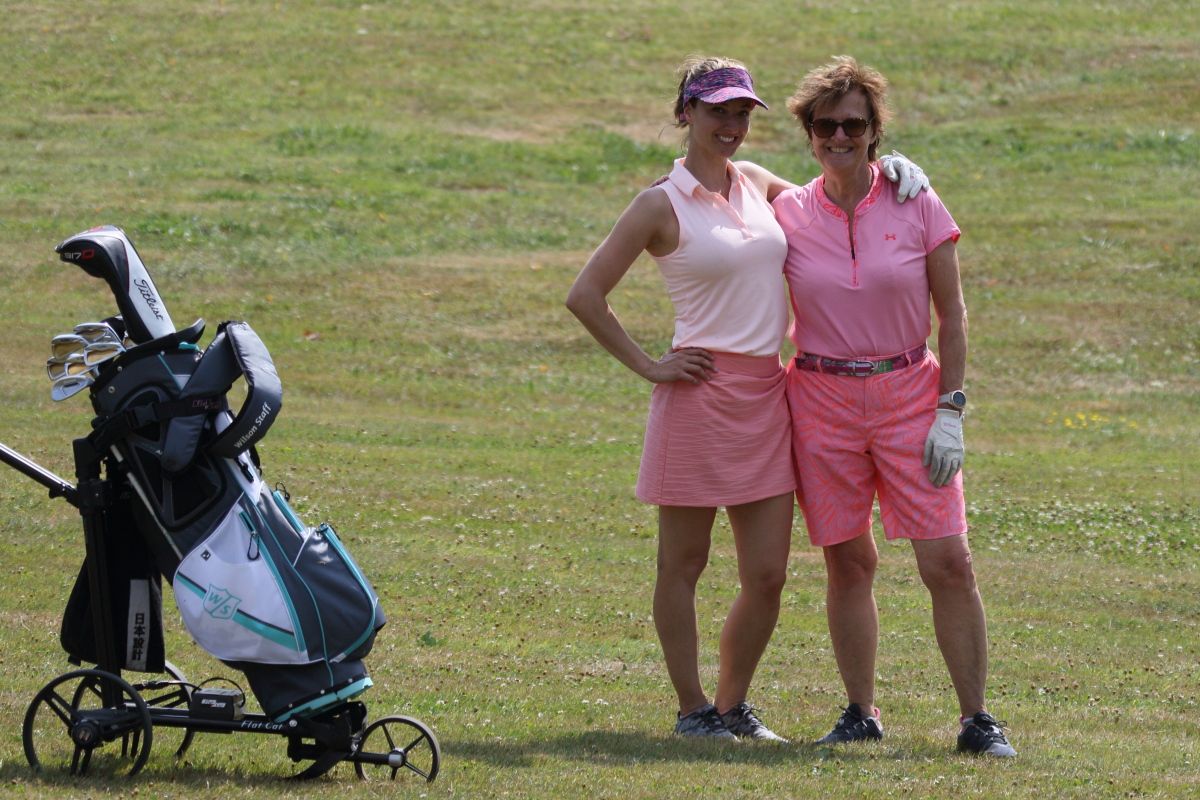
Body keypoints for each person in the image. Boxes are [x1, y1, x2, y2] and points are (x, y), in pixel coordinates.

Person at [565, 56, 926, 742]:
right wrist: (650, 366)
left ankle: (730, 706)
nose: (730, 124)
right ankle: (692, 709)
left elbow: (840, 198)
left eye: (741, 112)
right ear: (687, 113)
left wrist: (897, 171)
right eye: (717, 111)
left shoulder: (758, 183)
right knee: (683, 565)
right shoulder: (659, 203)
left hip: (766, 394)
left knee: (767, 575)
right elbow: (585, 295)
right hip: (698, 396)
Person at [737, 55, 1016, 756]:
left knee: (948, 562)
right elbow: (724, 178)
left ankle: (977, 719)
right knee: (849, 564)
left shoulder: (918, 201)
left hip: (909, 394)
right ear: (808, 133)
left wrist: (951, 409)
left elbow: (953, 315)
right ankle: (861, 711)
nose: (840, 136)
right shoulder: (788, 212)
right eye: (826, 125)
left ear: (874, 131)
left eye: (854, 125)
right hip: (819, 398)